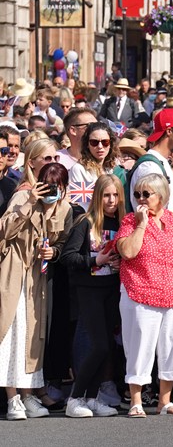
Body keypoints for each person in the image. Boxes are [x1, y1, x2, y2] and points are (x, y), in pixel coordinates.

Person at [115, 172, 173, 417]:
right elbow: (128, 252)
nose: (141, 199)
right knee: (139, 345)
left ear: (161, 195)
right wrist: (142, 224)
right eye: (137, 194)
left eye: (146, 194)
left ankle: (165, 400)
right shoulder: (130, 221)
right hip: (141, 290)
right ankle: (136, 400)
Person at [0, 163, 70, 421]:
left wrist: (54, 251)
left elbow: (58, 238)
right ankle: (12, 398)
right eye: (48, 184)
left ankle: (28, 394)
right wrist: (31, 202)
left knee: (32, 336)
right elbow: (4, 230)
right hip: (13, 272)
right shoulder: (23, 195)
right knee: (10, 333)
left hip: (36, 279)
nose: (51, 191)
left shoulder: (61, 205)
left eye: (58, 186)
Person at [59, 174, 123, 418]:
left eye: (115, 195)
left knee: (106, 348)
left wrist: (119, 265)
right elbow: (68, 257)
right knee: (97, 346)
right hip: (88, 290)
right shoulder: (85, 222)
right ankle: (75, 397)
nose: (111, 200)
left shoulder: (121, 224)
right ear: (97, 196)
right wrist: (96, 260)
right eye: (106, 195)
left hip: (111, 290)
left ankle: (93, 398)